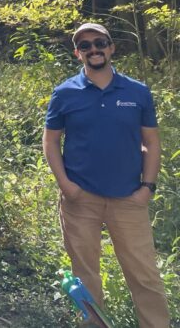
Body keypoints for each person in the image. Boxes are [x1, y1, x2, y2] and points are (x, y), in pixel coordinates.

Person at [43, 23, 169, 327]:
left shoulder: (137, 91)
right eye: (85, 45)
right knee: (85, 279)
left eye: (100, 42)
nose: (93, 49)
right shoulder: (64, 93)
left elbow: (151, 142)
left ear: (111, 47)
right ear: (77, 53)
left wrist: (147, 188)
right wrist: (66, 186)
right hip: (80, 199)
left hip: (128, 198)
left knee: (145, 276)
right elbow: (50, 141)